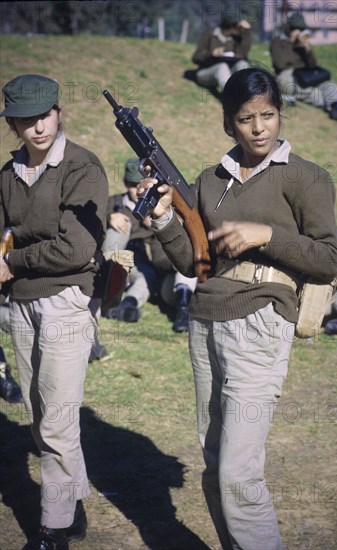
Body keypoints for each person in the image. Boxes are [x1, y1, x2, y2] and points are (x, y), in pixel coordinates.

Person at [138, 67, 337, 549]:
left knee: (238, 474)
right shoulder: (211, 181)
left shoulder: (308, 178)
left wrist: (267, 235)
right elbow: (192, 260)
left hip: (263, 320)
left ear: (280, 114)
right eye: (246, 118)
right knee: (214, 466)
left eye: (268, 115)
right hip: (206, 322)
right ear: (229, 122)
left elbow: (331, 259)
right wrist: (166, 217)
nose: (259, 127)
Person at [0, 74, 108, 549]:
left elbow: (76, 247)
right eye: (26, 119)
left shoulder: (84, 168)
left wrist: (12, 261)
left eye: (45, 115)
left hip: (67, 298)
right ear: (13, 124)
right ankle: (73, 505)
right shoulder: (6, 176)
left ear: (59, 112)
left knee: (57, 418)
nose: (38, 127)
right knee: (42, 410)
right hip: (21, 303)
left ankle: (55, 526)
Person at [102, 158, 197, 332]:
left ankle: (128, 305)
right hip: (115, 257)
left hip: (143, 264)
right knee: (122, 225)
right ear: (125, 184)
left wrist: (157, 221)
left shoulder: (159, 207)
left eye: (141, 183)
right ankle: (105, 283)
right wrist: (108, 218)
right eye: (132, 184)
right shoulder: (115, 203)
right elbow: (90, 220)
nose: (137, 189)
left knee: (147, 279)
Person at [270, 13, 337, 123]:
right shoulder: (278, 41)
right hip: (287, 76)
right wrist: (292, 44)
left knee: (330, 85)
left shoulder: (302, 44)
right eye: (295, 28)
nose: (297, 31)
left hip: (305, 75)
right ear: (289, 29)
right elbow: (281, 63)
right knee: (313, 92)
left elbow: (312, 64)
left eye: (300, 29)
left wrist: (307, 49)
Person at [191, 16, 251, 94]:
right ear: (231, 28)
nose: (241, 30)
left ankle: (246, 95)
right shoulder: (210, 34)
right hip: (206, 72)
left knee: (243, 64)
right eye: (239, 27)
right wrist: (211, 54)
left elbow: (242, 53)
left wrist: (246, 32)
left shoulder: (236, 38)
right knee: (222, 67)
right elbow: (196, 58)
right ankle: (230, 99)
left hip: (228, 73)